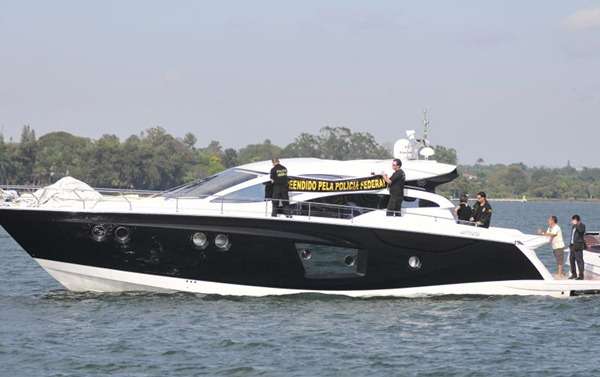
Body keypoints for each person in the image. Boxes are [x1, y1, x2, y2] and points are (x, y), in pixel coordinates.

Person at [568, 214, 586, 280]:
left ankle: (581, 276)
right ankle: (574, 274)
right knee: (571, 260)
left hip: (578, 246)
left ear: (576, 220)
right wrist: (570, 244)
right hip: (572, 246)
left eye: (573, 220)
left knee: (579, 261)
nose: (572, 221)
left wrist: (576, 225)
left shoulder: (582, 226)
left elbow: (581, 231)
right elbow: (572, 236)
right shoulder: (573, 226)